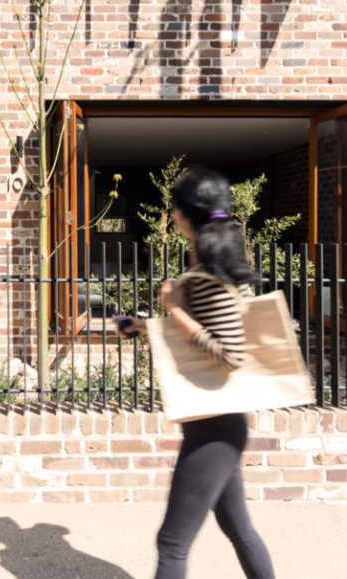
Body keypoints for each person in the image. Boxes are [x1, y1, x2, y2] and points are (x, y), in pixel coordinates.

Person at [118, 166, 275, 579]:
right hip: (219, 424)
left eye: (174, 205)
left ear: (187, 213)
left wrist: (174, 310)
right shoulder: (210, 266)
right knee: (239, 529)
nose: (170, 213)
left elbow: (230, 354)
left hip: (214, 430)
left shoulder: (208, 276)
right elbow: (202, 332)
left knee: (172, 544)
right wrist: (147, 325)